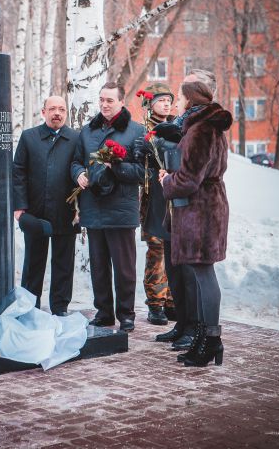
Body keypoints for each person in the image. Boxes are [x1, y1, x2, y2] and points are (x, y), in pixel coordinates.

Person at [159, 81, 232, 366]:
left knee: (203, 275)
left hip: (201, 211)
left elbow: (190, 180)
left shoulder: (201, 129)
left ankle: (211, 341)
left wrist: (167, 180)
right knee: (202, 275)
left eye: (178, 98)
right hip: (203, 208)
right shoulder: (203, 126)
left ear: (190, 100)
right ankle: (204, 338)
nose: (176, 102)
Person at [71, 82, 144, 332]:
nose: (104, 104)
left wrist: (117, 166)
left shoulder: (136, 131)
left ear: (121, 102)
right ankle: (103, 313)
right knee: (99, 266)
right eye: (101, 99)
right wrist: (79, 173)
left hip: (121, 208)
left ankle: (126, 314)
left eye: (110, 100)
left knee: (124, 268)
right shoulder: (86, 132)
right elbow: (76, 161)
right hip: (93, 206)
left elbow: (142, 172)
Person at [13, 96, 79, 316]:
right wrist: (20, 205)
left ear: (66, 113)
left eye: (61, 109)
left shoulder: (76, 139)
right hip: (35, 211)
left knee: (63, 263)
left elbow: (81, 170)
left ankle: (60, 307)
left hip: (66, 211)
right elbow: (18, 172)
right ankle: (29, 306)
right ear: (43, 112)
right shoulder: (29, 137)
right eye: (52, 109)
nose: (57, 113)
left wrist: (81, 209)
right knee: (33, 261)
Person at [136, 83, 176, 326]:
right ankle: (155, 304)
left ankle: (173, 301)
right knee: (157, 252)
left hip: (175, 197)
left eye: (169, 100)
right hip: (154, 199)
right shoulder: (142, 130)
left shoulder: (178, 126)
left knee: (175, 252)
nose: (166, 104)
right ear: (150, 104)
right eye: (161, 100)